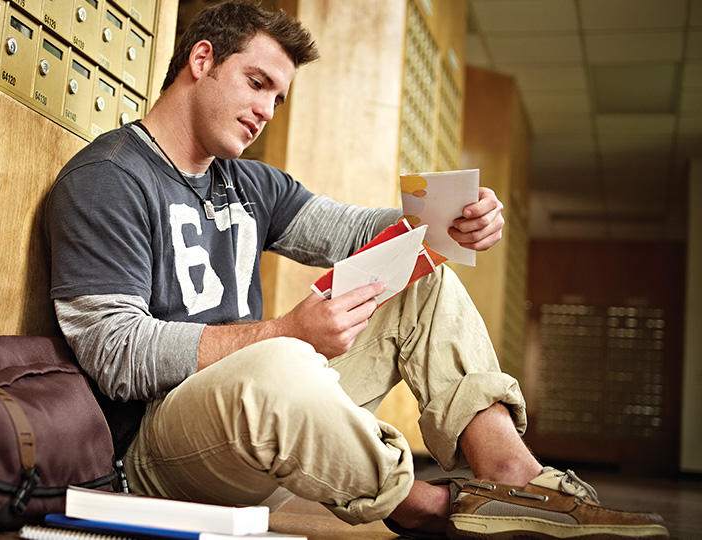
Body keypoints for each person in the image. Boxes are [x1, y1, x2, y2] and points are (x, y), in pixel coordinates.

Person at [43, 2, 668, 538]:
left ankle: (514, 480)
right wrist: (280, 333)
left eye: (278, 97)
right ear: (201, 60)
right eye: (256, 82)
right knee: (280, 363)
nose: (266, 109)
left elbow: (351, 232)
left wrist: (447, 220)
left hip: (257, 422)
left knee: (424, 282)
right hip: (161, 454)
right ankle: (435, 510)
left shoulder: (250, 183)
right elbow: (116, 354)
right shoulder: (109, 178)